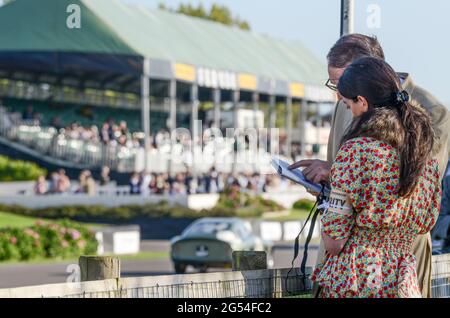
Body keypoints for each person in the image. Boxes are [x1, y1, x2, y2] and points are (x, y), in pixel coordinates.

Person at [289, 34, 450, 298]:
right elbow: (426, 201)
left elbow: (336, 238)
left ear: (362, 96)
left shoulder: (435, 112)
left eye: (343, 84)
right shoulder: (351, 108)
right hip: (401, 273)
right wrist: (330, 175)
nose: (340, 95)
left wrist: (340, 174)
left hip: (360, 270)